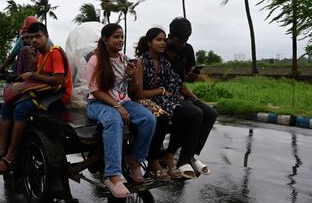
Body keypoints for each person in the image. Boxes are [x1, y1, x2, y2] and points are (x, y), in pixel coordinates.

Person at [0, 22, 72, 175]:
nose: (34, 40)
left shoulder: (55, 52)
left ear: (47, 36)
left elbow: (57, 80)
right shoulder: (41, 55)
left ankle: (10, 157)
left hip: (58, 96)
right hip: (46, 92)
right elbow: (43, 77)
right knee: (7, 105)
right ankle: (2, 151)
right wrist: (35, 63)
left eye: (38, 36)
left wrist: (32, 75)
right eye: (31, 38)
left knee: (21, 108)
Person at [86, 23, 156, 198]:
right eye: (116, 37)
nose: (120, 40)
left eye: (122, 37)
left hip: (123, 101)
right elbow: (95, 90)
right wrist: (117, 107)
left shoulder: (125, 60)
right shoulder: (95, 60)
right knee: (113, 120)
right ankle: (113, 176)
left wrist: (133, 79)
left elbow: (130, 91)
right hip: (98, 103)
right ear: (105, 39)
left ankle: (134, 160)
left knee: (149, 119)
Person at [165, 17, 217, 176]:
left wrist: (192, 75)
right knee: (195, 113)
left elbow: (187, 75)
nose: (182, 44)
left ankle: (190, 155)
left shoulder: (187, 49)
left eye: (185, 40)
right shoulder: (160, 48)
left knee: (210, 113)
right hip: (164, 95)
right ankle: (182, 160)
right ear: (170, 35)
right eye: (179, 40)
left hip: (180, 92)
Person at [133, 28, 176, 181]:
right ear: (149, 43)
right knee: (162, 118)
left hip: (158, 98)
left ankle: (171, 156)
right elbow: (139, 94)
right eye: (159, 39)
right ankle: (153, 160)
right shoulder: (140, 62)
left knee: (185, 113)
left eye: (164, 40)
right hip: (140, 100)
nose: (163, 43)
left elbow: (171, 85)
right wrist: (161, 90)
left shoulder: (164, 63)